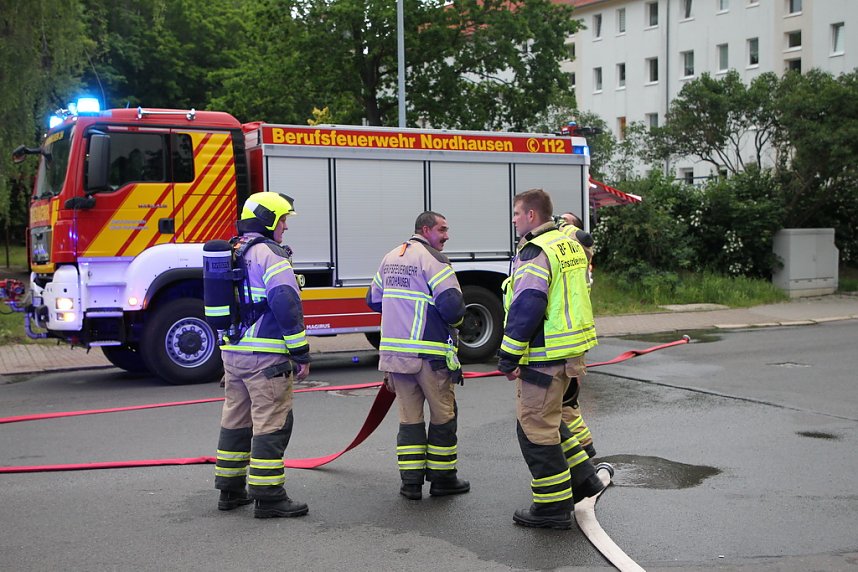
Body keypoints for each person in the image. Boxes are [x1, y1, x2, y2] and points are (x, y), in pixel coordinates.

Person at [498, 189, 606, 529]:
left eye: (517, 213)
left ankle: (551, 508)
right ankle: (585, 478)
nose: (514, 219)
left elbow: (528, 304)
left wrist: (508, 355)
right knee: (552, 420)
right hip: (569, 352)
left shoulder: (536, 250)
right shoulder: (568, 244)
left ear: (531, 215)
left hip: (543, 356)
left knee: (534, 428)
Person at [213, 192, 311, 519]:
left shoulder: (233, 250)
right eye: (283, 219)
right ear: (269, 220)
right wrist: (301, 353)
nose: (285, 226)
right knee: (272, 422)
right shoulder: (271, 255)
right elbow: (286, 303)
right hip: (265, 357)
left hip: (233, 353)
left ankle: (230, 490)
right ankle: (269, 497)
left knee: (235, 420)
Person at [366, 211, 470, 501]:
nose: (446, 235)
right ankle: (443, 480)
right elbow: (452, 308)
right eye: (442, 229)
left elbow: (373, 299)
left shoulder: (391, 257)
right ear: (425, 229)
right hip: (430, 354)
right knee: (443, 416)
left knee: (409, 418)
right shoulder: (434, 260)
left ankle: (410, 485)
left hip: (396, 357)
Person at [557, 211, 597, 459]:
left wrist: (564, 228)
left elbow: (585, 239)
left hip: (570, 342)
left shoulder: (580, 252)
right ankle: (581, 448)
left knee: (566, 403)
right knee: (565, 403)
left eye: (566, 222)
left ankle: (584, 451)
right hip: (566, 340)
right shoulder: (565, 254)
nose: (561, 225)